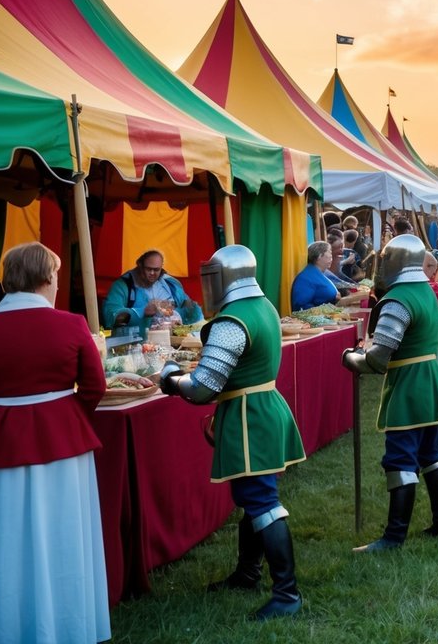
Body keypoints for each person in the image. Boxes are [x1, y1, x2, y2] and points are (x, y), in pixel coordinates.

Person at [159, 245, 307, 619]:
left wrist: (172, 379)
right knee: (253, 497)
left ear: (224, 277)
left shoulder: (232, 320)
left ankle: (287, 593)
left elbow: (203, 387)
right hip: (263, 407)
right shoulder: (263, 306)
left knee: (262, 500)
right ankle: (248, 572)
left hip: (249, 416)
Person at [0, 242, 110, 643]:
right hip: (63, 446)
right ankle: (68, 623)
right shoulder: (71, 324)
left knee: (4, 538)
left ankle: (7, 625)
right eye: (56, 276)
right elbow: (94, 386)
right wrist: (64, 417)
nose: (57, 283)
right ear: (44, 279)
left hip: (0, 445)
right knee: (64, 534)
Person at [342, 235, 438, 551]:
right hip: (430, 379)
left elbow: (378, 359)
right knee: (431, 454)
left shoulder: (398, 299)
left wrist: (350, 357)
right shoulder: (426, 290)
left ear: (394, 261)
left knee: (401, 459)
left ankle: (394, 537)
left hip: (409, 384)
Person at [103, 248, 203, 331]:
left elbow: (190, 313)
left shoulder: (171, 284)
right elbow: (110, 316)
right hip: (134, 345)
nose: (152, 273)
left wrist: (191, 308)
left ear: (161, 267)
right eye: (148, 269)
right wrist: (142, 311)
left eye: (156, 270)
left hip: (170, 344)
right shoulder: (123, 285)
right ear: (140, 266)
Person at [290, 241, 340, 311]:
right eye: (329, 252)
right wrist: (328, 309)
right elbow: (301, 306)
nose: (331, 256)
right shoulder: (305, 278)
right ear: (319, 256)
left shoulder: (320, 273)